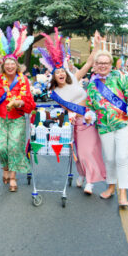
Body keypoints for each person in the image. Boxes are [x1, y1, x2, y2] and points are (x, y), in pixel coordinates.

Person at [39, 28, 106, 195]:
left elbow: (90, 62)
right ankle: (82, 174)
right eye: (57, 72)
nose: (61, 73)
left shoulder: (75, 79)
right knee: (77, 153)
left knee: (86, 152)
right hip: (72, 123)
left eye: (62, 71)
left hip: (87, 120)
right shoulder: (55, 93)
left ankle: (90, 182)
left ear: (66, 73)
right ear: (53, 76)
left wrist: (96, 45)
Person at [0, 22, 36, 192]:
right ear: (3, 65)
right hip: (0, 118)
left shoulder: (23, 80)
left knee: (14, 146)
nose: (10, 66)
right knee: (1, 147)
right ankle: (4, 168)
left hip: (17, 118)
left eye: (13, 63)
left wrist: (19, 102)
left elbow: (30, 102)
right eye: (7, 64)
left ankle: (13, 177)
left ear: (17, 64)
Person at [87, 50, 128, 207]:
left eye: (106, 63)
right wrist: (89, 115)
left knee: (121, 158)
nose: (102, 66)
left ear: (110, 65)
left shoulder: (119, 76)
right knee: (109, 159)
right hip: (104, 127)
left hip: (123, 123)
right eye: (99, 63)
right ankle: (111, 187)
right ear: (94, 66)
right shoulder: (91, 85)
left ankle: (122, 193)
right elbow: (90, 106)